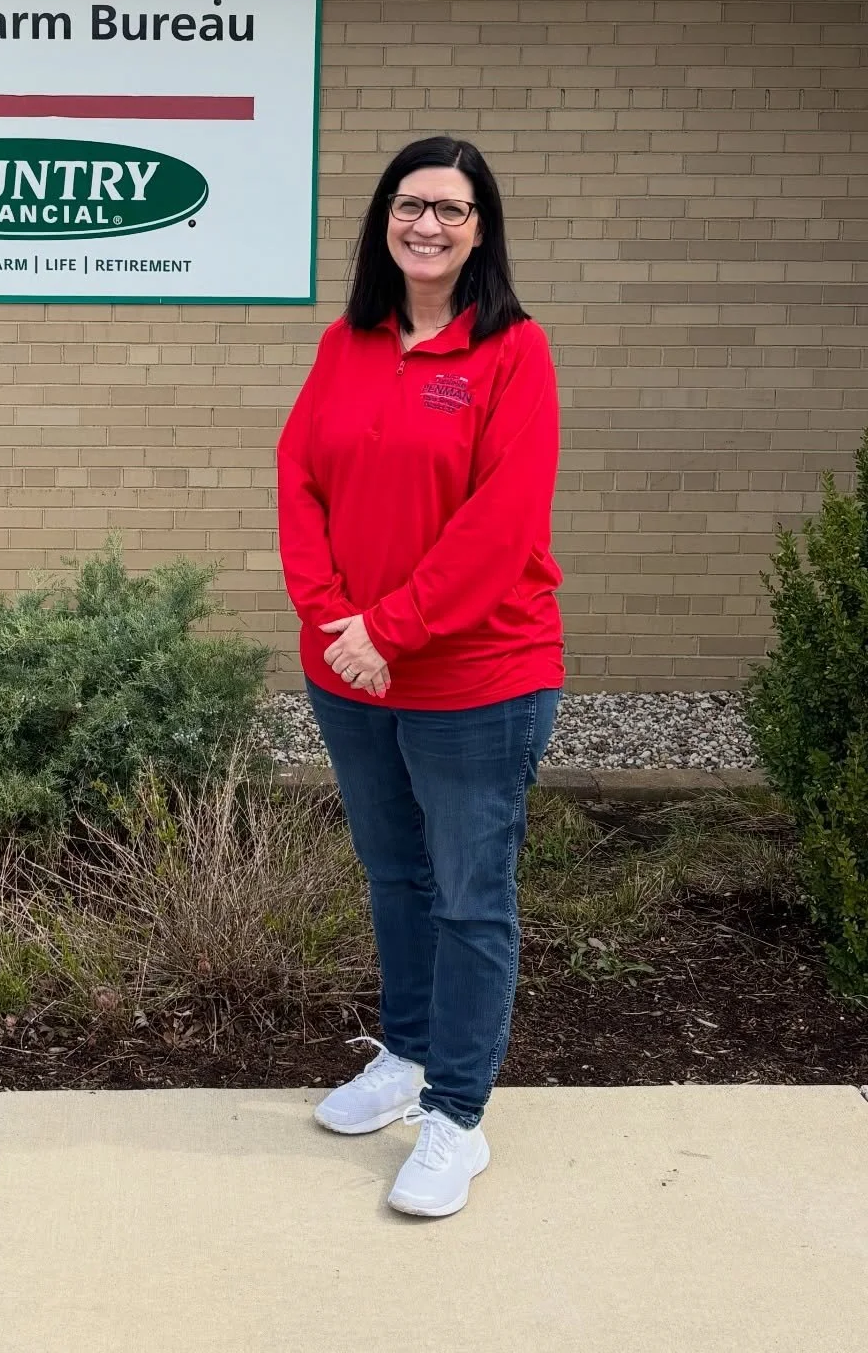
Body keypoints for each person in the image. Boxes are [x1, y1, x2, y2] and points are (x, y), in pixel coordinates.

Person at [276, 135, 564, 1220]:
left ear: (481, 228)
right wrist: (333, 618)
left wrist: (391, 628)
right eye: (410, 206)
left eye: (450, 208)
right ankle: (402, 1057)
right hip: (350, 672)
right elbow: (298, 477)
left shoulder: (513, 354)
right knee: (396, 878)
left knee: (470, 898)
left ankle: (457, 1115)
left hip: (477, 677)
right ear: (383, 223)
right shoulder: (350, 342)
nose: (427, 225)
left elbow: (503, 525)